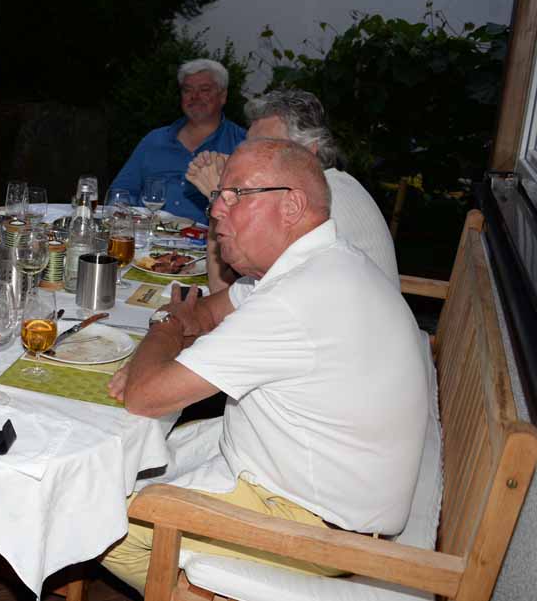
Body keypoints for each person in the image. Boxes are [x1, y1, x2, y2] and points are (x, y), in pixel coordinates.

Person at [101, 139, 429, 593]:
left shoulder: (297, 300)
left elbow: (145, 395)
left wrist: (164, 326)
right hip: (315, 485)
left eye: (235, 195)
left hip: (311, 525)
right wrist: (174, 335)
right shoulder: (321, 264)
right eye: (219, 196)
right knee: (128, 465)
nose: (216, 210)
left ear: (291, 206)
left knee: (98, 523)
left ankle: (194, 590)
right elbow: (208, 312)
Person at [186, 88, 399, 289]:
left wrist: (220, 198)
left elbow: (222, 288)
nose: (251, 158)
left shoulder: (318, 201)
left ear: (308, 151)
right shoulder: (331, 184)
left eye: (268, 149)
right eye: (251, 147)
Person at [109, 58, 246, 221]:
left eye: (204, 90)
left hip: (208, 236)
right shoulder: (155, 140)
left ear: (223, 96)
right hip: (148, 232)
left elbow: (249, 208)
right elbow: (121, 192)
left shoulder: (243, 145)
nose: (195, 96)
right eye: (187, 90)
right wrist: (123, 217)